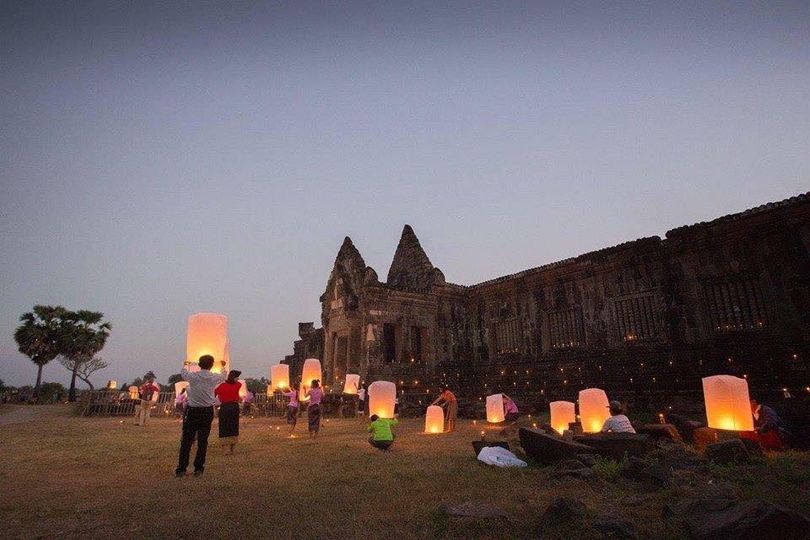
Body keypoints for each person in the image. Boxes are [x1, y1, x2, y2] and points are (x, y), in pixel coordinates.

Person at [175, 355, 227, 477]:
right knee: (203, 440)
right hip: (207, 411)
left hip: (193, 411)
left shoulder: (193, 376)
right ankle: (198, 469)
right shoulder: (214, 377)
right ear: (211, 365)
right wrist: (223, 366)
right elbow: (223, 375)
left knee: (186, 441)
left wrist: (186, 364)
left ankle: (181, 469)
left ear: (199, 364)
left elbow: (183, 373)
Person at [215, 370, 243, 455]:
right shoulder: (238, 385)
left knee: (224, 427)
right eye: (237, 377)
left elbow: (214, 393)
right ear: (234, 377)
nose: (238, 379)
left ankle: (224, 450)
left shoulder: (222, 386)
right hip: (234, 407)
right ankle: (232, 449)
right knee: (233, 427)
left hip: (224, 408)